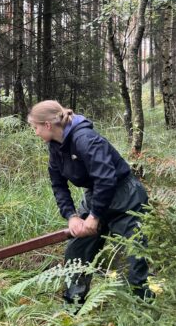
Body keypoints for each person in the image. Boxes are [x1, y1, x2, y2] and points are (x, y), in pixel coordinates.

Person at [28, 100, 150, 304]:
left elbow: (106, 178)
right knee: (76, 252)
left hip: (126, 198)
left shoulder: (85, 139)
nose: (35, 133)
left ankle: (143, 310)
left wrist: (94, 216)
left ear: (47, 125)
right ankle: (73, 307)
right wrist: (72, 216)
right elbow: (58, 185)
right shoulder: (55, 147)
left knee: (133, 259)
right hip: (96, 196)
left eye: (35, 128)